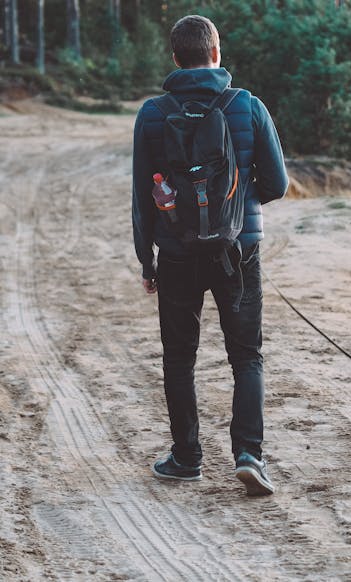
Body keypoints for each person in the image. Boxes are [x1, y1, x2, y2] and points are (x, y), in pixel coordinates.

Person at [132, 14, 288, 496]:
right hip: (238, 251)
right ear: (216, 54)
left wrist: (147, 261)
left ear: (175, 58)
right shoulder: (248, 106)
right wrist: (240, 206)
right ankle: (249, 455)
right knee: (246, 356)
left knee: (179, 357)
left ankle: (186, 458)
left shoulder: (153, 114)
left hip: (178, 253)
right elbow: (278, 183)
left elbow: (142, 196)